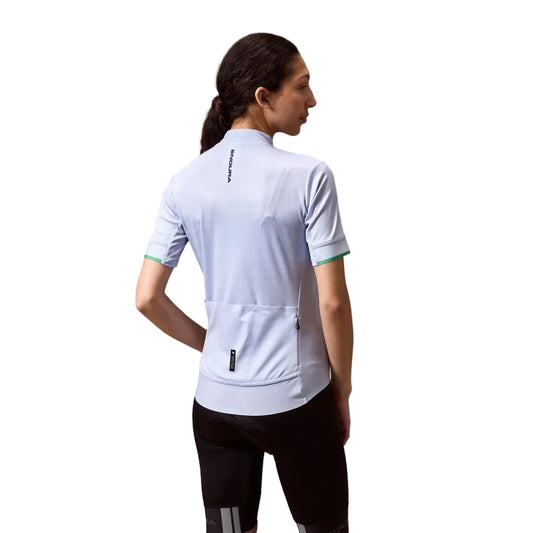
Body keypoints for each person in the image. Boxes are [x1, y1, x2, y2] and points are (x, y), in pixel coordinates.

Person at [135, 32, 353, 533]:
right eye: (302, 86)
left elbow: (147, 298)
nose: (312, 100)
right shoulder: (310, 177)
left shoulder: (183, 182)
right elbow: (334, 304)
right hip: (297, 400)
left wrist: (212, 344)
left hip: (215, 406)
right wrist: (341, 390)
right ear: (263, 96)